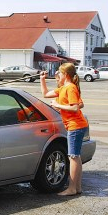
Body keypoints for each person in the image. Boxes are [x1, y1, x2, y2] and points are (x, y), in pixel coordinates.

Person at [40, 63, 88, 196]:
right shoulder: (63, 88)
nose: (57, 76)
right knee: (75, 157)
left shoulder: (70, 88)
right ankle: (77, 188)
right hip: (75, 126)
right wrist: (42, 79)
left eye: (59, 73)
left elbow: (75, 107)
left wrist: (58, 105)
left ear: (65, 75)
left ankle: (72, 188)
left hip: (75, 126)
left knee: (73, 157)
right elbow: (45, 94)